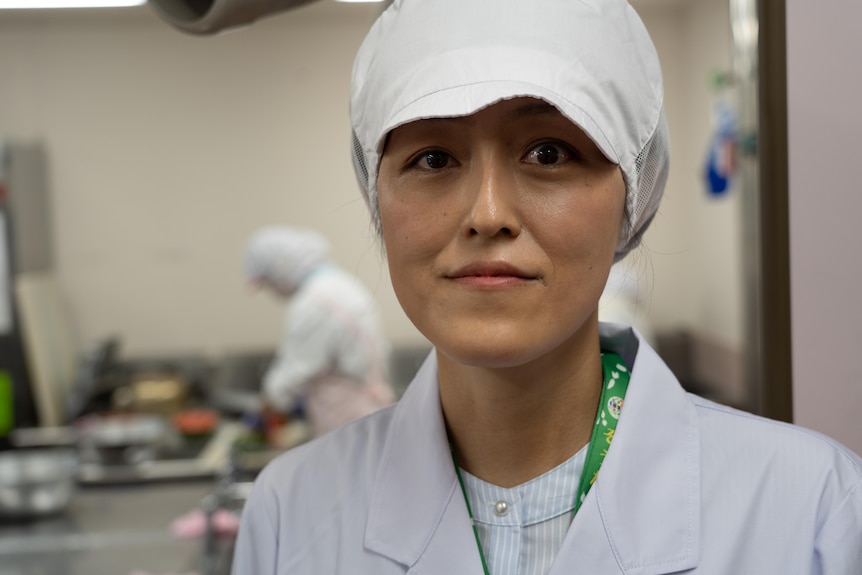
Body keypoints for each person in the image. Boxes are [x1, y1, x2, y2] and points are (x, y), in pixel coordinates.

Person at [233, 1, 862, 573]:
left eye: (549, 153)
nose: (486, 213)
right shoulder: (293, 509)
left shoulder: (814, 507)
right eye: (432, 159)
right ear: (378, 198)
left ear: (632, 199)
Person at [243, 226, 394, 438]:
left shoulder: (315, 301)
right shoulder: (336, 284)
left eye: (270, 282)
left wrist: (266, 405)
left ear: (280, 269)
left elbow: (294, 370)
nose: (273, 291)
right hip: (362, 407)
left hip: (347, 416)